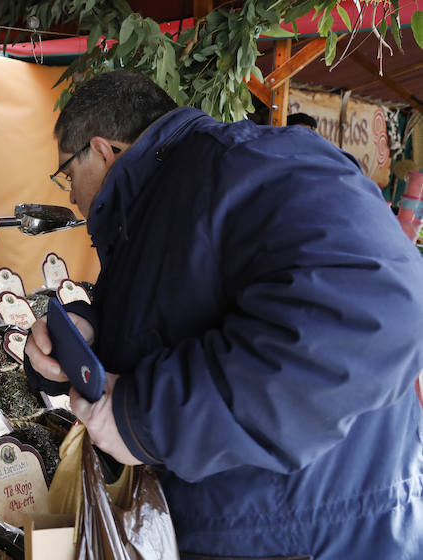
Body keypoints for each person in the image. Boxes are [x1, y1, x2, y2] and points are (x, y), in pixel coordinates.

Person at [25, 70, 423, 559]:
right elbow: (193, 314)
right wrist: (89, 334)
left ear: (103, 150)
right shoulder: (157, 203)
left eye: (68, 174)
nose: (69, 195)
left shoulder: (248, 164)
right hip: (236, 529)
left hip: (306, 537)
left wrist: (148, 420)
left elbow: (377, 315)